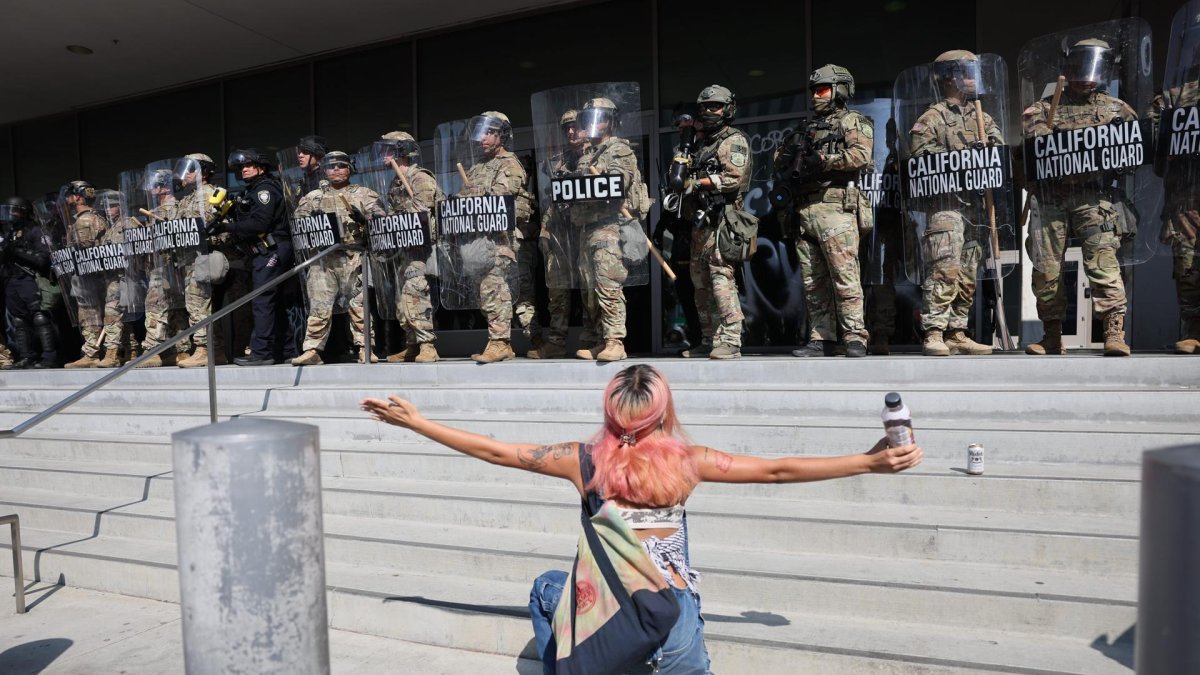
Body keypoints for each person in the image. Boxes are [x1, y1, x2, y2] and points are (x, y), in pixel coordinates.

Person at [361, 364, 920, 673]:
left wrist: (418, 422)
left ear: (609, 411)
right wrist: (869, 461)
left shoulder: (580, 461)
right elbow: (778, 470)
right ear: (665, 412)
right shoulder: (691, 464)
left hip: (607, 623)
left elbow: (496, 451)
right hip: (674, 632)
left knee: (544, 590)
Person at [1022, 39, 1134, 357]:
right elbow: (1031, 145)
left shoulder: (1116, 109)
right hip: (1052, 199)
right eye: (1079, 66)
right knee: (1046, 270)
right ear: (1068, 68)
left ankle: (1114, 332)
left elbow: (1135, 147)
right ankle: (1052, 336)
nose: (1085, 75)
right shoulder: (1044, 109)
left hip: (1094, 198)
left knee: (1103, 262)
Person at [777, 65, 873, 358]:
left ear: (839, 90)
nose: (816, 96)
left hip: (836, 207)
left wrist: (824, 160)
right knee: (813, 282)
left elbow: (861, 156)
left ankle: (855, 337)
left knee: (845, 276)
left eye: (822, 90)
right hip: (804, 209)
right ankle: (822, 338)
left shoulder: (852, 121)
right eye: (814, 91)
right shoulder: (805, 128)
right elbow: (782, 161)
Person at [908, 50, 1000, 357]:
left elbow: (998, 156)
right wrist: (962, 159)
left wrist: (989, 150)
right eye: (968, 73)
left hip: (975, 205)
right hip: (946, 205)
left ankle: (957, 331)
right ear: (951, 77)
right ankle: (933, 331)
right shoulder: (932, 117)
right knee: (944, 268)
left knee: (968, 271)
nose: (975, 80)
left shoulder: (983, 118)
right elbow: (920, 157)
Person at [571, 97, 649, 362]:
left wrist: (594, 182)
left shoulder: (619, 150)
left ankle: (615, 340)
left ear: (611, 121)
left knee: (608, 283)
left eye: (600, 118)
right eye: (590, 118)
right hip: (587, 227)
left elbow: (619, 182)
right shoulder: (586, 155)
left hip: (610, 227)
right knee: (589, 289)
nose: (595, 124)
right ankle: (596, 339)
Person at [291, 150, 386, 366]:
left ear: (350, 169)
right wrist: (313, 222)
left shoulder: (364, 194)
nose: (335, 169)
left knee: (360, 305)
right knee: (318, 306)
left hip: (354, 256)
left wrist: (365, 219)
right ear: (324, 170)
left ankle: (365, 348)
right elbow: (298, 224)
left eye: (341, 165)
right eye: (331, 166)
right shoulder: (313, 197)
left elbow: (381, 221)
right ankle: (312, 349)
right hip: (323, 260)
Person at [459, 111, 538, 364]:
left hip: (504, 240)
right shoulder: (477, 167)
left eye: (489, 132)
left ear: (501, 135)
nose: (482, 138)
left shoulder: (510, 164)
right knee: (499, 293)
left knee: (495, 289)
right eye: (480, 132)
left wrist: (473, 196)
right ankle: (536, 341)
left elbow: (500, 198)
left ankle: (500, 342)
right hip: (483, 240)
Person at [680, 85, 751, 360]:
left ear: (728, 109)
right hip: (701, 223)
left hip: (724, 219)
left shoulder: (733, 140)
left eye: (716, 106)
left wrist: (696, 183)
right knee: (700, 283)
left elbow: (732, 178)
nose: (710, 111)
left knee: (722, 279)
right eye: (705, 107)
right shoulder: (701, 144)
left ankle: (731, 339)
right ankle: (709, 339)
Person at [221, 148, 293, 366]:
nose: (244, 170)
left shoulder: (265, 190)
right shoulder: (251, 192)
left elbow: (260, 224)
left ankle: (261, 353)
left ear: (261, 168)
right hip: (264, 252)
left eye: (248, 166)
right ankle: (286, 350)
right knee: (274, 301)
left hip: (272, 249)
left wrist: (228, 227)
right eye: (241, 167)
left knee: (262, 300)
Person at [528, 109, 584, 360]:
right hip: (561, 234)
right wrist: (546, 230)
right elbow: (552, 200)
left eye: (576, 126)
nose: (571, 132)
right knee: (557, 291)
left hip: (586, 232)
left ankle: (595, 339)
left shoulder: (597, 157)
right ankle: (557, 341)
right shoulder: (556, 162)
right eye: (567, 128)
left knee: (591, 291)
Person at [61, 181, 115, 369]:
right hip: (96, 277)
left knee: (88, 314)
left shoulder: (84, 221)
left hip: (89, 277)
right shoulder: (95, 217)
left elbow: (85, 250)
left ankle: (91, 352)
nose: (66, 198)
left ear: (77, 197)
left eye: (69, 194)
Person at [0, 196, 58, 368]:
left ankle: (49, 357)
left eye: (14, 210)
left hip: (29, 279)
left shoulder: (35, 230)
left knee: (40, 317)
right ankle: (27, 356)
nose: (11, 214)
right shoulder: (9, 233)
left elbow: (43, 259)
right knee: (18, 320)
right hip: (11, 280)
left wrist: (16, 251)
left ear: (23, 212)